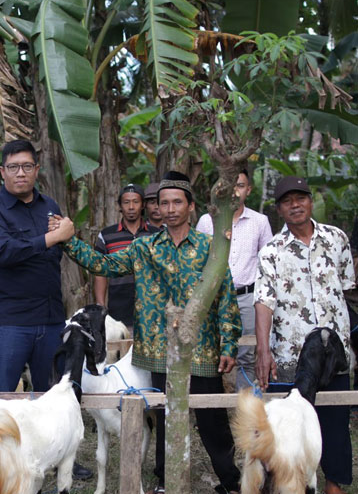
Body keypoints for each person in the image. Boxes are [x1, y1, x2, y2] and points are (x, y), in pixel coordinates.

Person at [52, 171, 242, 494]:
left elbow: (226, 296)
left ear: (190, 206)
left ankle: (232, 482)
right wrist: (67, 240)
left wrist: (229, 344)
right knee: (165, 417)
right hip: (157, 351)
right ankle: (166, 481)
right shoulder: (144, 248)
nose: (169, 209)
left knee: (213, 422)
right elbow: (103, 264)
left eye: (176, 202)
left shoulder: (210, 248)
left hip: (202, 348)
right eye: (163, 203)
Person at [0, 139, 92, 481]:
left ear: (37, 169)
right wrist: (50, 240)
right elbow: (3, 253)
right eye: (13, 167)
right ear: (2, 172)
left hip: (50, 317)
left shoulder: (49, 206)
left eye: (27, 166)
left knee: (54, 396)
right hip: (9, 321)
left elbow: (49, 255)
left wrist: (47, 243)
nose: (21, 173)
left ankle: (58, 458)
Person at [254, 176, 355, 494]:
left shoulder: (336, 238)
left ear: (311, 201)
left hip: (335, 352)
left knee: (336, 424)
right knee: (292, 427)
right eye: (287, 200)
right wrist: (262, 350)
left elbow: (349, 289)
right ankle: (292, 483)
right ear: (279, 209)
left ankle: (334, 486)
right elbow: (264, 302)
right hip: (291, 356)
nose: (295, 205)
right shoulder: (271, 251)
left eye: (300, 198)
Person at [196, 169, 272, 391]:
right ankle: (212, 413)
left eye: (240, 185)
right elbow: (199, 261)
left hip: (247, 296)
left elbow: (268, 263)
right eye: (230, 185)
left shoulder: (260, 221)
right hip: (213, 298)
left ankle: (244, 412)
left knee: (248, 357)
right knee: (209, 353)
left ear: (248, 190)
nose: (234, 191)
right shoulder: (206, 221)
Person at [93, 184, 160, 329]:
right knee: (120, 350)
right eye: (126, 202)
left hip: (153, 311)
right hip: (119, 310)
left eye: (136, 202)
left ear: (142, 205)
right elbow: (100, 272)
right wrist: (101, 307)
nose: (131, 207)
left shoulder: (157, 235)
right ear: (119, 206)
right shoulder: (106, 235)